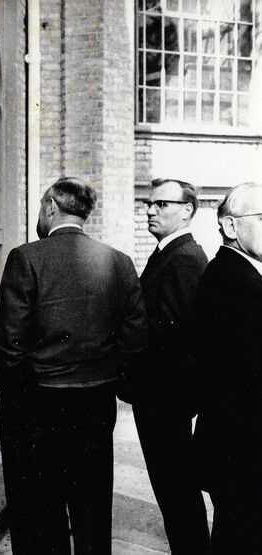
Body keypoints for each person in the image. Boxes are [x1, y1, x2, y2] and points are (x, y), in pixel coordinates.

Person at [0, 177, 147, 554]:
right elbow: (136, 338)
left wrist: (19, 390)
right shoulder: (119, 262)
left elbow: (10, 340)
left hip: (37, 405)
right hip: (95, 402)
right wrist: (109, 378)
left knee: (38, 510)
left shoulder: (26, 257)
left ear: (51, 207)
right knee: (92, 507)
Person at [124, 178, 210, 553]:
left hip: (165, 395)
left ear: (187, 210)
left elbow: (174, 332)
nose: (150, 210)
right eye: (149, 203)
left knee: (175, 484)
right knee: (171, 484)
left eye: (161, 205)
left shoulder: (186, 258)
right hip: (160, 393)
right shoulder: (167, 254)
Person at [193, 182, 262, 554]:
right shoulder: (237, 282)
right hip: (244, 451)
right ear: (231, 227)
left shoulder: (239, 274)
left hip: (236, 449)